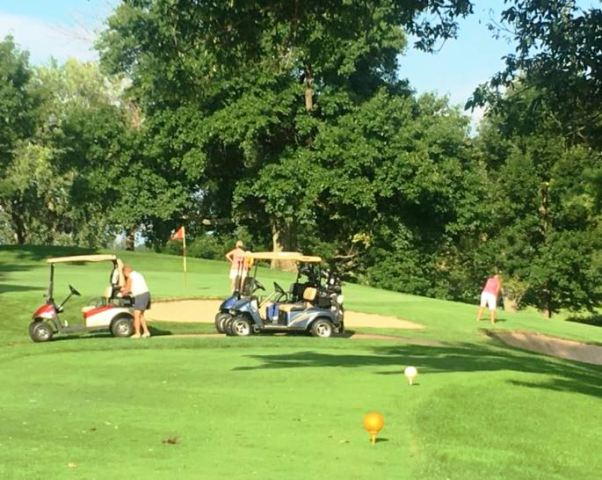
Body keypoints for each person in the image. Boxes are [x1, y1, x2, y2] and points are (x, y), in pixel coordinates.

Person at [121, 265, 152, 338]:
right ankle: (146, 332)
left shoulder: (130, 277)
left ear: (126, 272)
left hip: (140, 296)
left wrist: (122, 293)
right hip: (146, 294)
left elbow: (128, 289)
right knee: (141, 315)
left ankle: (137, 333)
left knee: (136, 315)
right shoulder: (138, 274)